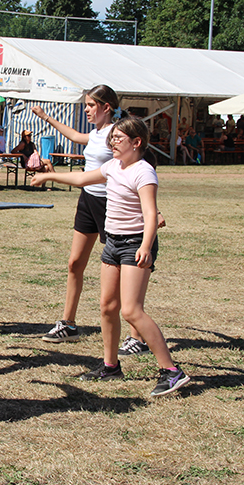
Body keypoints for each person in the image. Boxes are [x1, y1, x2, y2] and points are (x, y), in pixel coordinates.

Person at [32, 114, 190, 397]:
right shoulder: (113, 166)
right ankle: (110, 366)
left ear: (136, 142)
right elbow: (82, 178)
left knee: (131, 310)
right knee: (107, 306)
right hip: (113, 243)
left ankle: (171, 371)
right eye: (112, 138)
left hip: (135, 244)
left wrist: (145, 246)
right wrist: (49, 175)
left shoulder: (143, 172)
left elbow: (151, 214)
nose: (112, 143)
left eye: (118, 138)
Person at [32, 86, 115, 343]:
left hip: (110, 203)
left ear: (106, 107)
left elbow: (139, 164)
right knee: (75, 263)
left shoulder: (116, 133)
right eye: (86, 105)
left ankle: (136, 333)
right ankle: (68, 324)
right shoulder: (97, 133)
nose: (87, 109)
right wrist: (45, 117)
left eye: (91, 105)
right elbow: (76, 136)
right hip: (88, 200)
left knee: (120, 267)